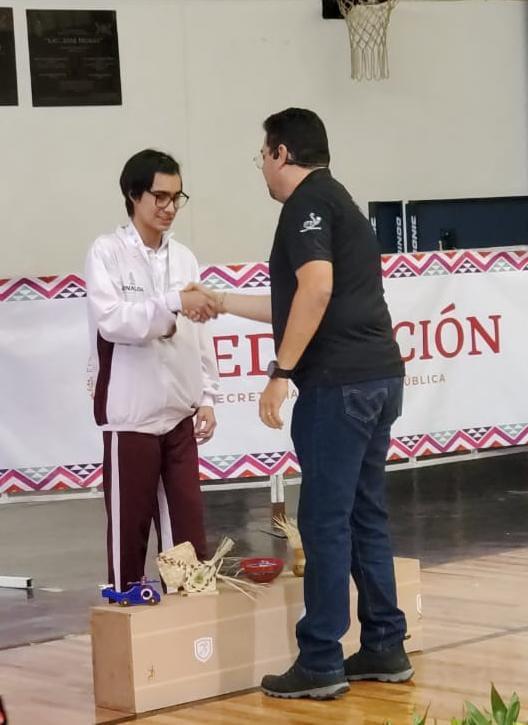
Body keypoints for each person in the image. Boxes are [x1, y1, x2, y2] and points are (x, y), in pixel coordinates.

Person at [186, 108, 412, 699]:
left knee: (323, 520)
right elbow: (300, 300)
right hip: (379, 377)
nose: (261, 165)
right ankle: (386, 644)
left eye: (263, 154)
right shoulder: (342, 204)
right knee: (365, 514)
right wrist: (224, 301)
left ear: (282, 152)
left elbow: (316, 289)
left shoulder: (305, 207)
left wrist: (280, 373)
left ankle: (319, 659)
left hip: (338, 386)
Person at [85, 149, 219, 593]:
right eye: (159, 196)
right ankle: (126, 614)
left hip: (180, 413)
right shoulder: (106, 252)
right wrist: (173, 304)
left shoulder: (184, 257)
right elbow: (114, 322)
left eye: (177, 198)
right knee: (129, 533)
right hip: (131, 416)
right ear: (133, 194)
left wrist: (208, 397)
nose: (168, 207)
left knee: (188, 533)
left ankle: (188, 627)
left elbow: (201, 333)